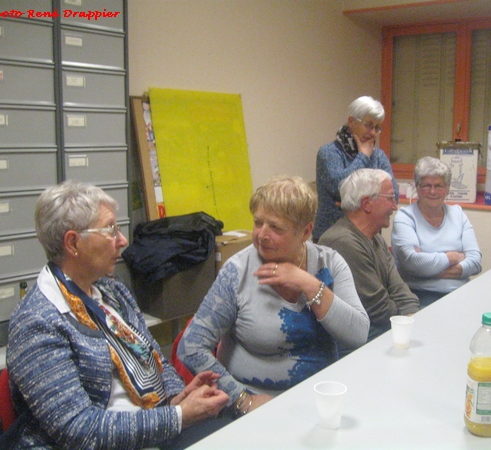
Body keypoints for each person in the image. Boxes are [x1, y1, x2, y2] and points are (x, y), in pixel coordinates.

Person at [0, 181, 229, 450]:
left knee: (231, 435)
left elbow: (152, 357)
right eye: (110, 230)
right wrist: (178, 416)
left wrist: (177, 397)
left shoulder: (111, 289)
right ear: (73, 243)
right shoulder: (37, 323)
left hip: (149, 427)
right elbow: (80, 432)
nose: (123, 240)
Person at [178, 176, 369, 416]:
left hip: (321, 399)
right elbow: (191, 346)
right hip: (255, 405)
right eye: (258, 223)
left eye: (276, 227)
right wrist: (242, 400)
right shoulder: (237, 271)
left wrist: (308, 284)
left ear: (306, 231)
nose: (262, 235)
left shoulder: (329, 263)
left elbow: (358, 334)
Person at [319, 169, 419, 342]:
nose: (395, 206)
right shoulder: (342, 242)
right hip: (358, 338)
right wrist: (407, 324)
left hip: (383, 326)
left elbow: (398, 288)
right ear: (367, 203)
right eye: (390, 198)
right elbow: (377, 309)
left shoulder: (375, 238)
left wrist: (414, 316)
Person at [390, 157, 482, 307]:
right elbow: (413, 263)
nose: (433, 191)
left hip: (461, 293)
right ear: (417, 187)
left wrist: (427, 270)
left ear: (447, 188)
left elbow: (476, 261)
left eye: (439, 186)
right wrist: (453, 257)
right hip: (420, 295)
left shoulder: (458, 214)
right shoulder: (405, 217)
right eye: (426, 185)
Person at [312, 95, 399, 242]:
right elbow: (338, 187)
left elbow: (392, 196)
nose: (373, 133)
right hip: (332, 238)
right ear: (352, 122)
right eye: (369, 125)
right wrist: (363, 157)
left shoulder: (379, 156)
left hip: (370, 237)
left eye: (377, 128)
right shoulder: (328, 153)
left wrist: (351, 204)